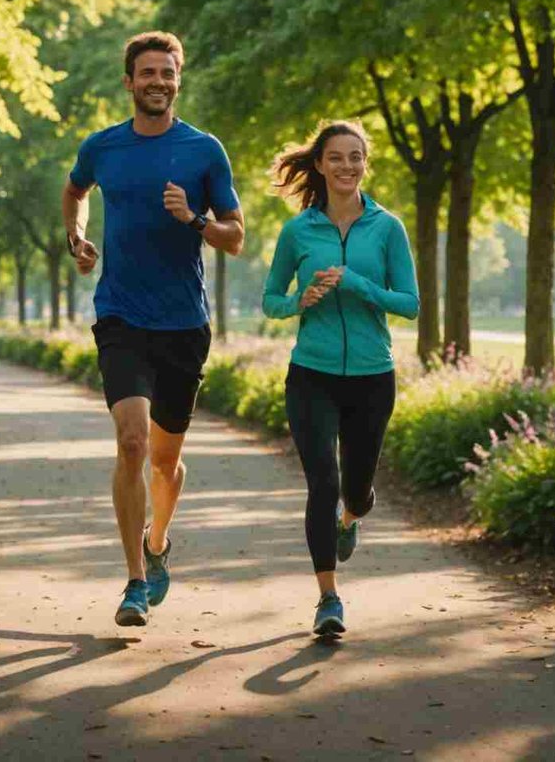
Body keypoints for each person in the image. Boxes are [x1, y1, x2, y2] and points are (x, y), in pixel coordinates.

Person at [62, 31, 245, 627]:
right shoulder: (103, 147)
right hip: (120, 313)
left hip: (184, 323)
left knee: (165, 462)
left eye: (167, 73)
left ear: (178, 79)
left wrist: (192, 218)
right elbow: (74, 191)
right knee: (132, 442)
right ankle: (134, 585)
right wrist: (77, 236)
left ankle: (158, 542)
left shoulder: (204, 150)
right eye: (147, 73)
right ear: (129, 82)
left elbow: (235, 237)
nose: (157, 82)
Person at [261, 120, 418, 638]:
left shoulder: (387, 227)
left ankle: (350, 520)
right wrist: (298, 302)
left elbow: (410, 304)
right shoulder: (298, 230)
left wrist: (357, 284)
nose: (346, 166)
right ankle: (328, 598)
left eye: (356, 157)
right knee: (322, 483)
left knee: (357, 489)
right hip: (312, 374)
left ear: (364, 164)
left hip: (373, 377)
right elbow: (270, 299)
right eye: (336, 157)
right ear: (321, 164)